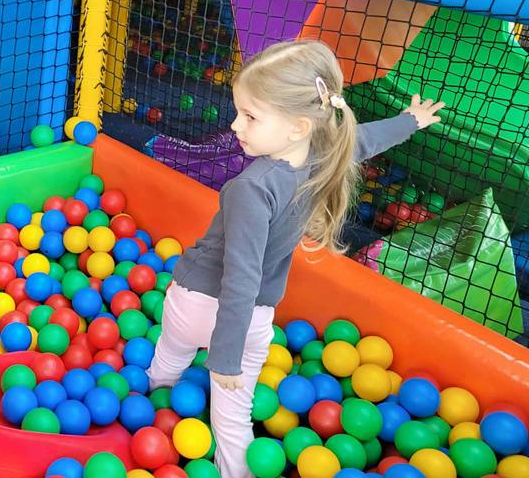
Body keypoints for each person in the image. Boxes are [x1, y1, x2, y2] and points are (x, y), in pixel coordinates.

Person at [146, 40, 444, 478]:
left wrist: (223, 356)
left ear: (298, 126)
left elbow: (240, 276)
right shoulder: (325, 157)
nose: (235, 125)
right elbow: (362, 141)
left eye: (250, 116)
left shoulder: (251, 188)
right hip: (257, 320)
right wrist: (410, 121)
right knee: (234, 417)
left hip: (198, 302)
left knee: (169, 360)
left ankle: (151, 408)